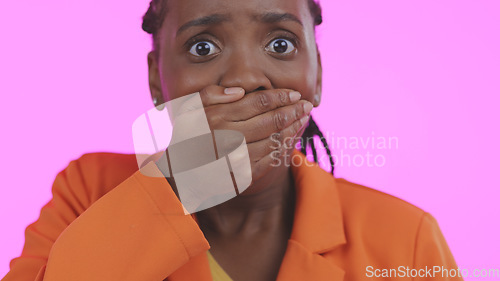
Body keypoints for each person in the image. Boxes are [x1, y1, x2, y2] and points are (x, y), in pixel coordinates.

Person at [2, 0, 463, 280]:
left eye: (281, 44)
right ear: (157, 81)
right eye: (203, 47)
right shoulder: (89, 191)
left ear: (317, 74)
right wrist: (175, 190)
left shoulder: (407, 240)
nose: (245, 78)